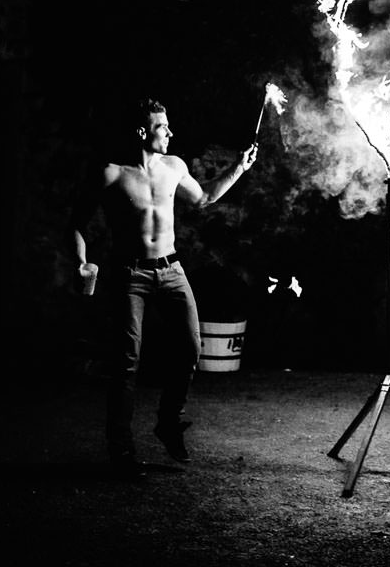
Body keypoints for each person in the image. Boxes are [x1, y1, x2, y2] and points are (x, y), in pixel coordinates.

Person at [70, 98, 258, 478]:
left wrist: (239, 167)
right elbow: (76, 221)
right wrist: (80, 261)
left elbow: (203, 197)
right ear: (142, 132)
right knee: (127, 363)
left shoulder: (174, 167)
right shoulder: (110, 174)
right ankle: (121, 452)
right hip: (130, 275)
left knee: (191, 347)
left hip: (172, 271)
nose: (170, 132)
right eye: (162, 127)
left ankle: (168, 423)